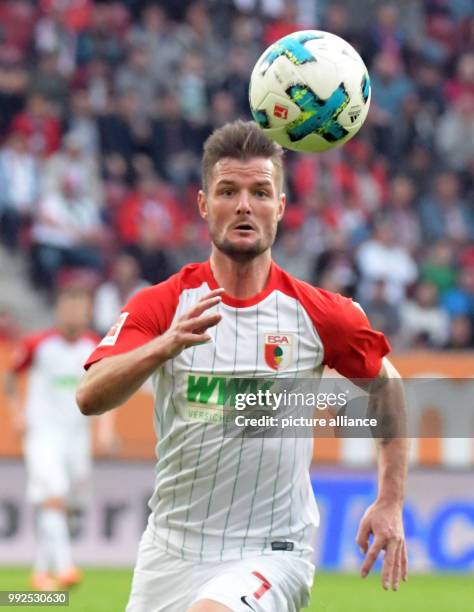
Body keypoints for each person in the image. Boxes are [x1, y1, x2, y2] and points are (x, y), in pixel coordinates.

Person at [77, 121, 409, 612]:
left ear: (281, 206)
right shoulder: (162, 305)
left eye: (260, 191)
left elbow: (388, 388)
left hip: (271, 552)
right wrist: (163, 347)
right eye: (228, 191)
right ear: (204, 205)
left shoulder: (319, 314)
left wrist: (390, 500)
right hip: (170, 550)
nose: (244, 205)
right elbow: (89, 396)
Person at [5, 287, 116, 591]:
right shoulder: (38, 344)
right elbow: (10, 379)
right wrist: (17, 413)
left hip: (76, 436)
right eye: (68, 308)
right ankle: (66, 567)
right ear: (58, 311)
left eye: (79, 309)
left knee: (63, 504)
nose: (73, 315)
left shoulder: (95, 348)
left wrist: (105, 430)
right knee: (53, 494)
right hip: (43, 433)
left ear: (87, 313)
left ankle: (41, 573)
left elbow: (108, 388)